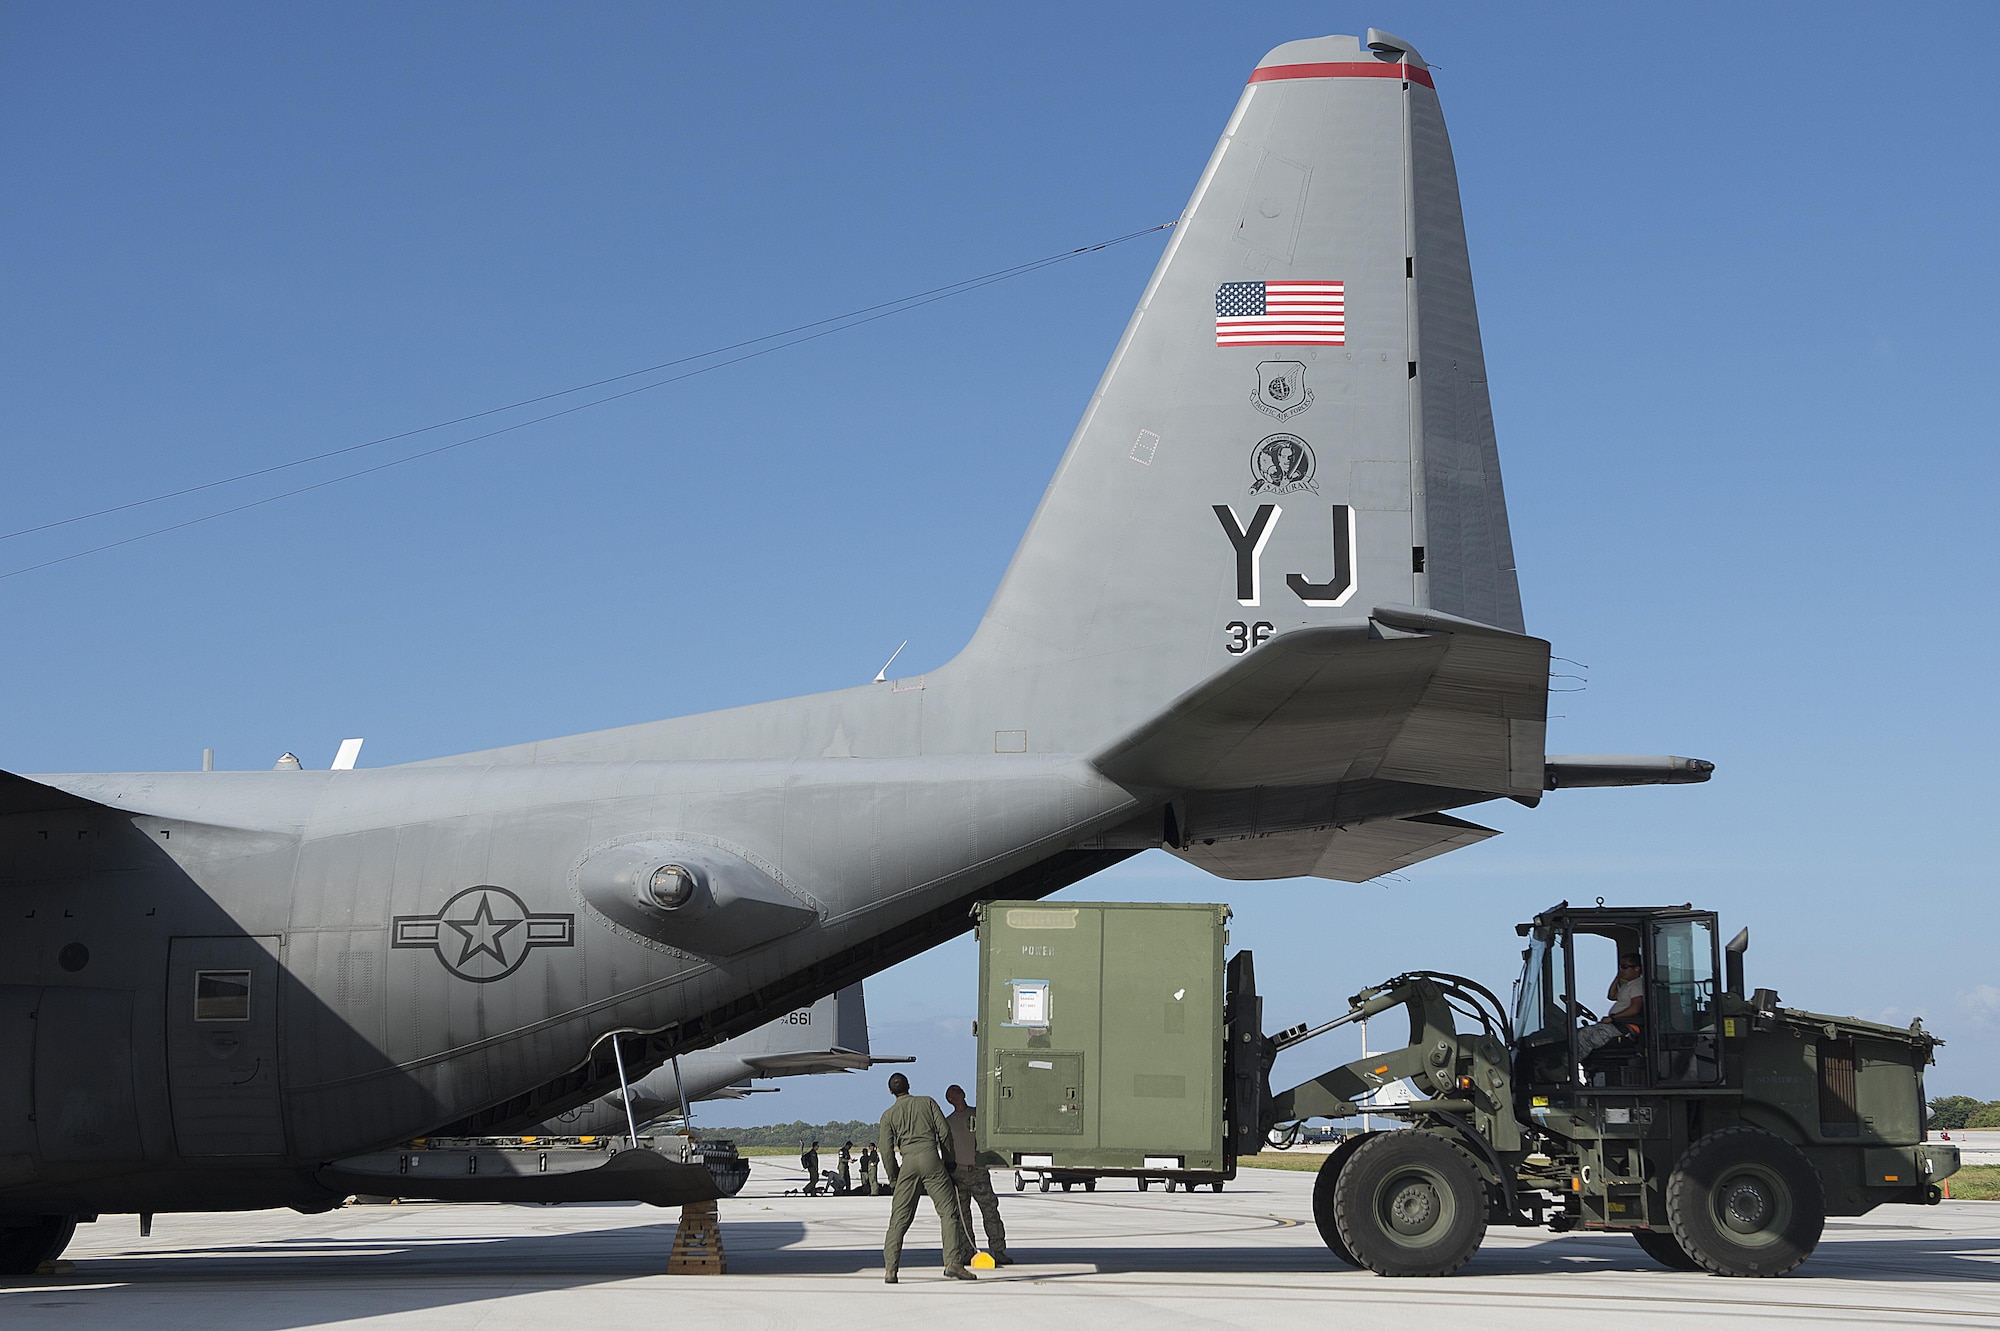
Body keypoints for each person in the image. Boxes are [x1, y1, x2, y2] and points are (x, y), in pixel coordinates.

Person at [878, 1072, 973, 1283]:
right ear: (909, 1085)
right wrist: (948, 1162)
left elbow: (886, 1150)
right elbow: (945, 1133)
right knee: (948, 1213)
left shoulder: (888, 1115)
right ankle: (952, 1263)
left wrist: (895, 1178)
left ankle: (891, 1270)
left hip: (908, 1163)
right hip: (931, 1159)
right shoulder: (927, 1103)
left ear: (890, 1091)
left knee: (898, 1221)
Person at [944, 1084, 1011, 1266]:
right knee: (962, 1218)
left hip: (978, 1172)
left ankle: (998, 1250)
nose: (956, 1096)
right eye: (952, 1094)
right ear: (949, 1100)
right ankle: (968, 1250)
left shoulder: (979, 1116)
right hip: (959, 1174)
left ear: (963, 1094)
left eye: (957, 1091)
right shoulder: (948, 1122)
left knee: (990, 1212)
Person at [1576, 952, 1646, 1060]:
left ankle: (1570, 1064)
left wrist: (1613, 1018)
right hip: (1616, 1023)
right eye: (1620, 966)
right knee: (1582, 1033)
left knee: (1595, 1038)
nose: (1621, 969)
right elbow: (1611, 996)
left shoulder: (1637, 985)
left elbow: (1635, 1008)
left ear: (1636, 969)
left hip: (1625, 1026)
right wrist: (1617, 978)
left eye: (1624, 967)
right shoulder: (1628, 985)